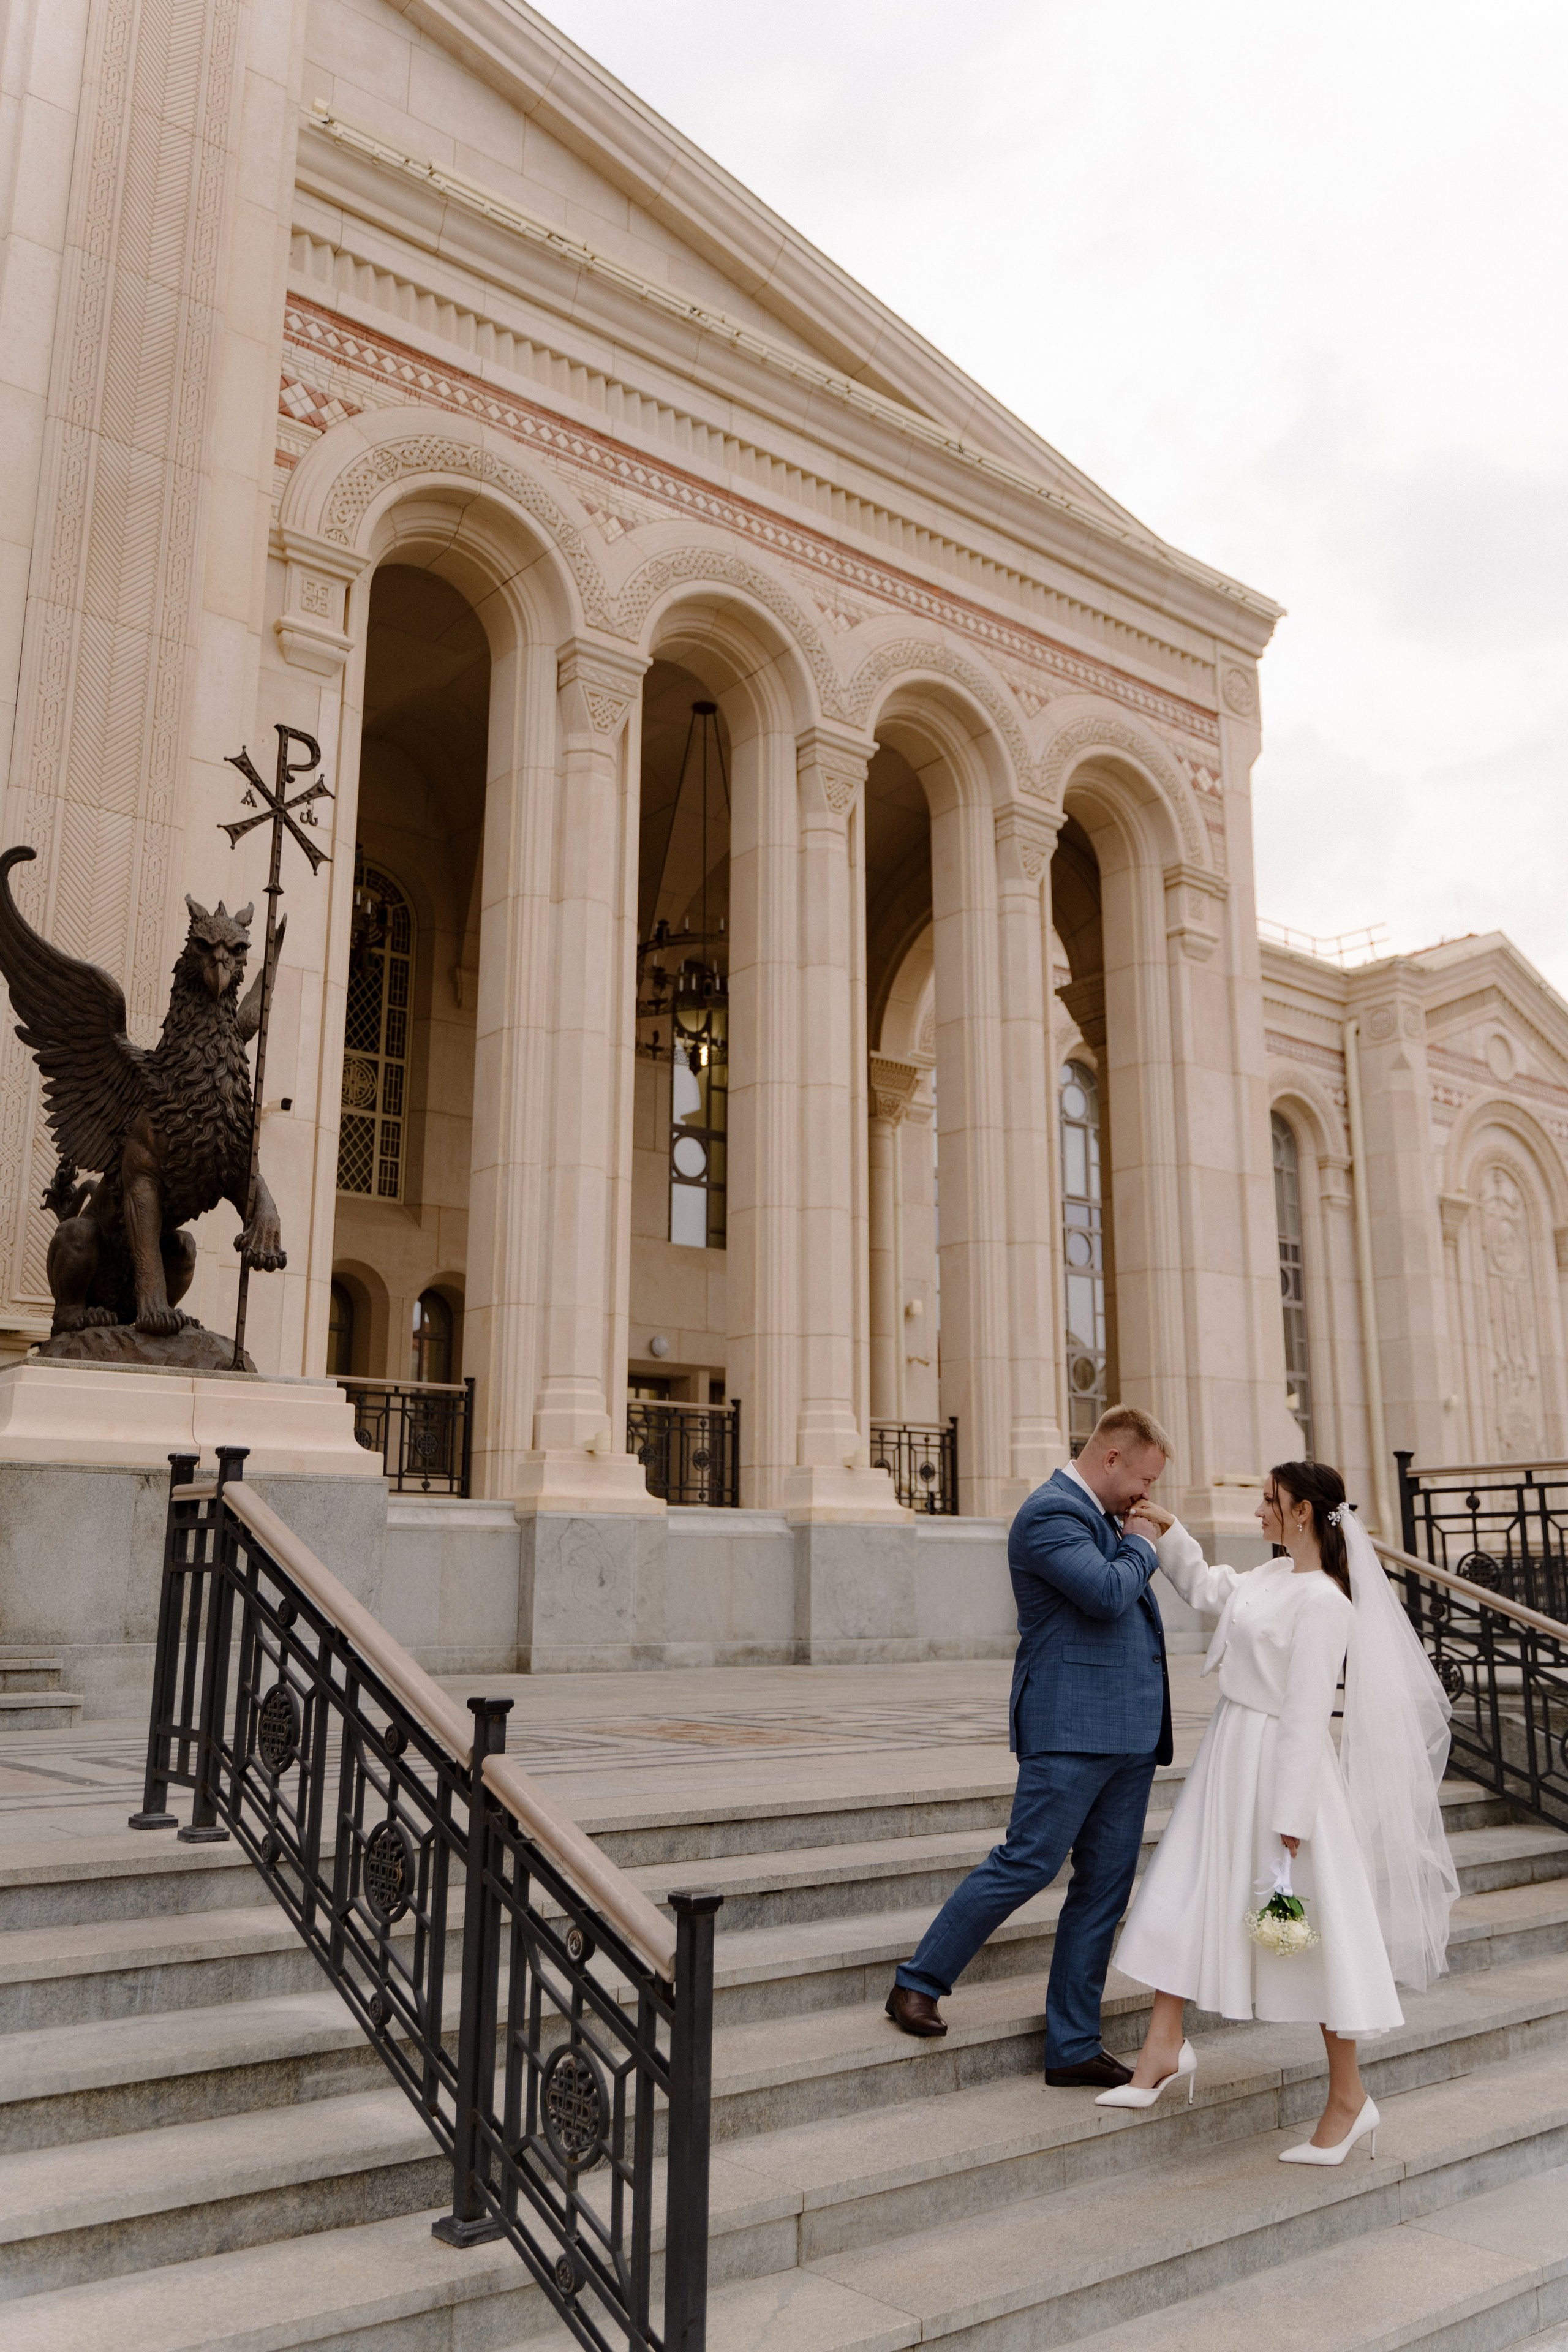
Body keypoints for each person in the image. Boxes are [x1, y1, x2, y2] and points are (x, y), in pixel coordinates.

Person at [1099, 1460, 1459, 2162]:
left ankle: (1349, 2098)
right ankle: (1163, 2045)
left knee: (1309, 1935)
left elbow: (1305, 1711)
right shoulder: (1271, 1576)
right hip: (1231, 1756)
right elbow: (1209, 1587)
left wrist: (1291, 1817)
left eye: (1270, 1500)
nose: (1258, 1509)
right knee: (1188, 1891)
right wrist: (1168, 1530)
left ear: (1302, 1513)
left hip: (1282, 1774)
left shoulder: (1325, 1602)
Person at [886, 1404, 1175, 2089]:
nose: (1147, 1494)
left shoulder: (1106, 1518)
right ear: (1111, 1458)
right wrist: (1142, 1543)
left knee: (1104, 1889)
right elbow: (1107, 1594)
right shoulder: (1049, 1514)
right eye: (1144, 1479)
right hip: (1070, 1729)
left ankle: (1072, 2045)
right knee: (1026, 1863)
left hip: (1130, 1735)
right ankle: (918, 1982)